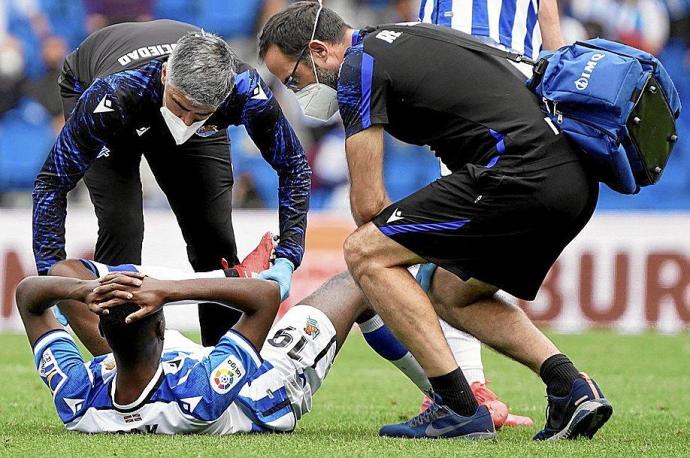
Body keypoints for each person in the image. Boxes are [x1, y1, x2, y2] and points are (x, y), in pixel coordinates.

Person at [259, 2, 612, 440]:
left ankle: (457, 407)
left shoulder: (357, 67)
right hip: (575, 181)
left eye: (294, 78)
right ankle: (571, 389)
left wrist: (397, 268)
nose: (296, 91)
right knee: (451, 291)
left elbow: (368, 207)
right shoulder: (402, 36)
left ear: (318, 50)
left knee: (364, 251)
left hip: (521, 173)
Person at [32, 20, 311, 347]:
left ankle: (220, 366)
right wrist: (50, 275)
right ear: (166, 75)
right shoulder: (114, 93)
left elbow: (293, 166)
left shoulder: (245, 91)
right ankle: (119, 368)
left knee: (215, 240)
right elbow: (52, 182)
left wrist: (289, 256)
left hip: (182, 101)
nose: (185, 122)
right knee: (122, 226)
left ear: (224, 100)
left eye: (200, 114)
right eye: (181, 107)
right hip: (107, 93)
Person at [16, 251, 494, 435]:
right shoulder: (196, 395)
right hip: (263, 388)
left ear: (101, 335)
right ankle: (460, 398)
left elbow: (27, 295)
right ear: (161, 330)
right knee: (362, 280)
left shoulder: (79, 398)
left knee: (61, 272)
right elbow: (265, 298)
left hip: (154, 368)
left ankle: (452, 399)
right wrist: (173, 289)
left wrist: (83, 290)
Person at [415, 0, 567, 427]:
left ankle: (469, 392)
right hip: (514, 83)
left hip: (459, 78)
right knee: (461, 253)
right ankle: (487, 385)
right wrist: (558, 83)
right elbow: (548, 14)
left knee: (453, 253)